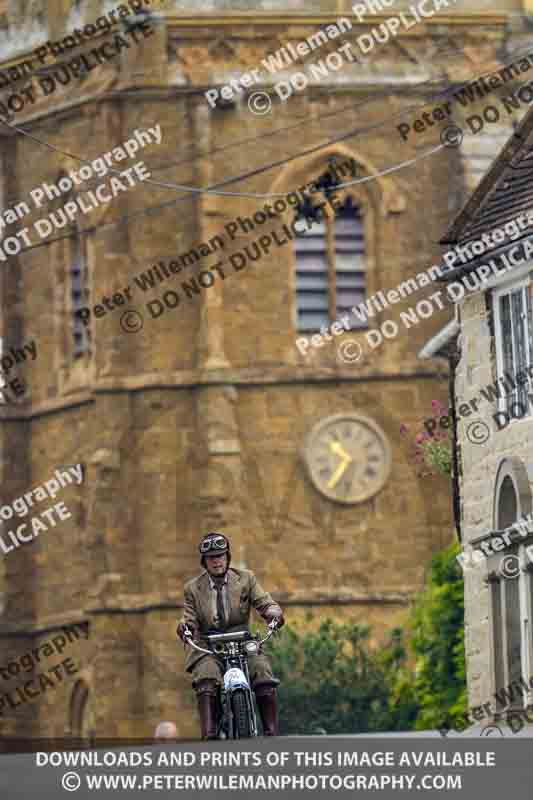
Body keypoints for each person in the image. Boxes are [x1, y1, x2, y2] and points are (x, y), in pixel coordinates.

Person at [176, 532, 284, 740]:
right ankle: (209, 734)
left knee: (262, 671)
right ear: (204, 562)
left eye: (220, 556)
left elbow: (264, 602)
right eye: (211, 558)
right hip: (209, 645)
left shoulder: (246, 579)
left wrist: (274, 614)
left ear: (228, 557)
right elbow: (188, 617)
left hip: (243, 641)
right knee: (206, 676)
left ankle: (271, 733)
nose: (217, 561)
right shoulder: (192, 589)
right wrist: (185, 628)